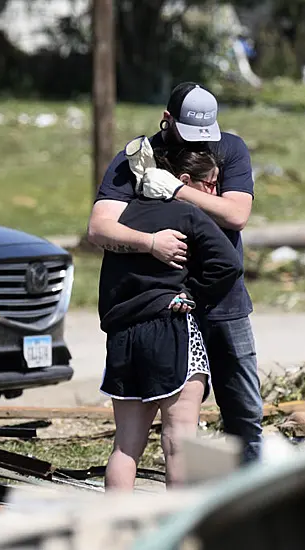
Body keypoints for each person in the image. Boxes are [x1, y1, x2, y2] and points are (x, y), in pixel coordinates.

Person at [88, 82, 263, 464]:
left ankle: (249, 499)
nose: (199, 147)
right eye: (189, 136)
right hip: (164, 308)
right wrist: (150, 243)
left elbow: (237, 214)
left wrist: (178, 192)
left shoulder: (230, 149)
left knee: (245, 413)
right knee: (174, 429)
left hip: (223, 303)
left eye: (206, 137)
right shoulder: (135, 159)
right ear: (167, 120)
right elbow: (101, 228)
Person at [99, 138, 243, 490]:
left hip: (123, 336)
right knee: (179, 442)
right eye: (210, 184)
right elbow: (229, 264)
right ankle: (178, 536)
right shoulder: (187, 213)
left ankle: (114, 539)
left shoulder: (126, 217)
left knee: (125, 446)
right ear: (183, 180)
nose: (214, 192)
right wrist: (191, 294)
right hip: (171, 329)